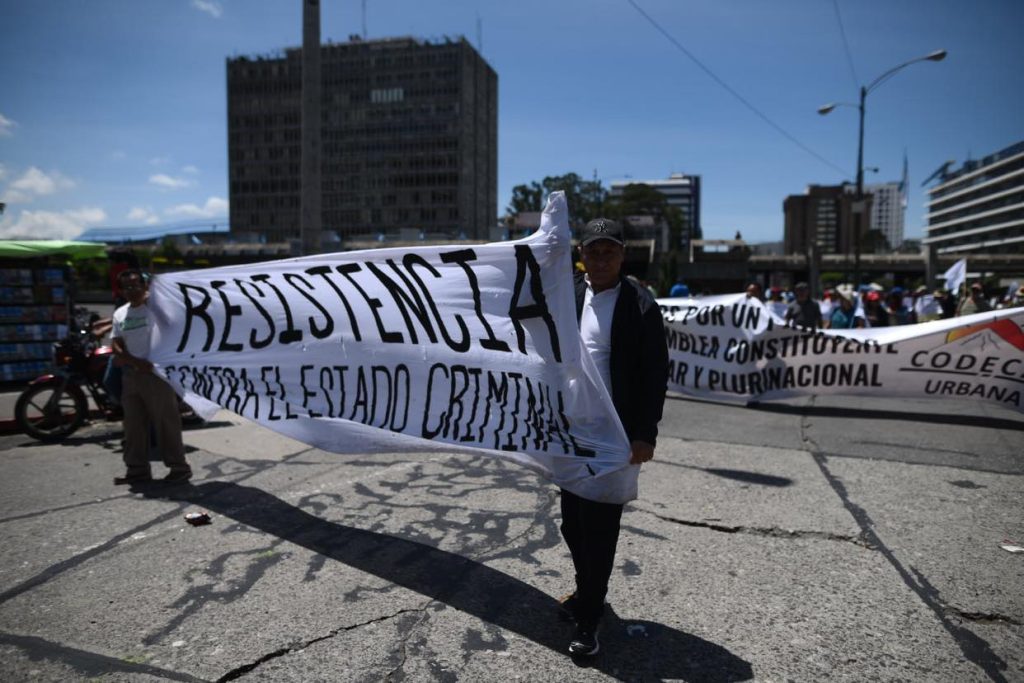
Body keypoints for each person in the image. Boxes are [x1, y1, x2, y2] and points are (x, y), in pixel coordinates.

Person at [563, 217, 668, 657]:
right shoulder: (569, 294)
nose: (601, 258)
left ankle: (589, 619)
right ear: (582, 255)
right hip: (570, 431)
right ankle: (587, 590)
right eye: (593, 250)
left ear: (623, 255)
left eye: (609, 251)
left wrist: (645, 434)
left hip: (614, 434)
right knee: (571, 523)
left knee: (599, 525)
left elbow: (655, 374)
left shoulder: (640, 305)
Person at [111, 269, 192, 485]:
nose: (131, 290)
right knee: (133, 426)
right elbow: (116, 343)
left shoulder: (157, 308)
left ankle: (179, 468)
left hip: (156, 376)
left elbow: (177, 327)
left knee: (166, 423)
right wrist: (131, 361)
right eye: (127, 286)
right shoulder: (121, 313)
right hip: (132, 376)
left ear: (145, 286)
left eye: (136, 285)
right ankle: (137, 470)